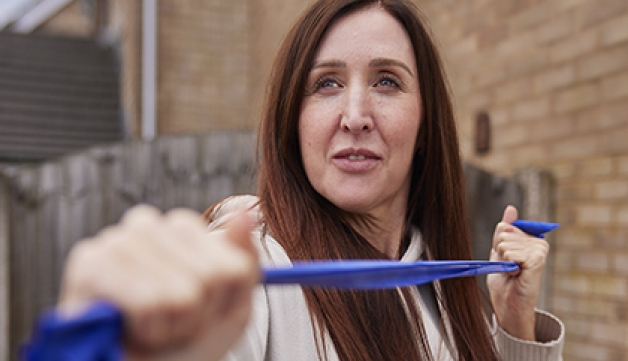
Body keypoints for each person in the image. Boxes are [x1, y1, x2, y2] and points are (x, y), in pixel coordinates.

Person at [57, 0, 565, 360]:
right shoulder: (250, 274)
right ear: (292, 122)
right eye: (326, 84)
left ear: (426, 120)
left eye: (387, 81)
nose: (356, 115)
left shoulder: (443, 287)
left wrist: (515, 327)